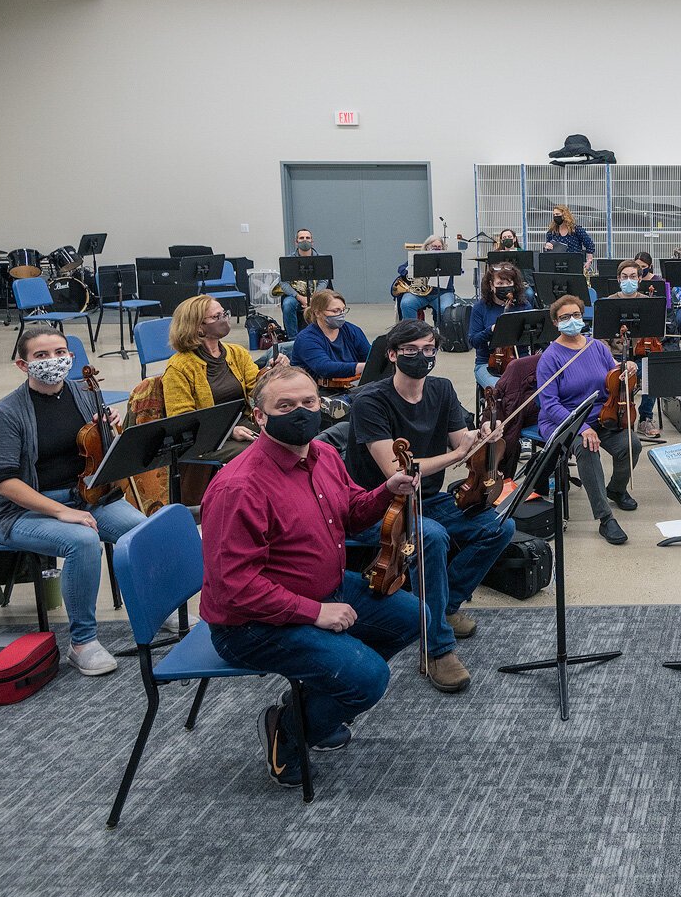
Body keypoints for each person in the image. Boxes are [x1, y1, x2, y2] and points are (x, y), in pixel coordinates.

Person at [202, 364, 423, 787]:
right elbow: (235, 588)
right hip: (252, 624)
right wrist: (314, 612)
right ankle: (288, 734)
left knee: (417, 618)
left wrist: (386, 492)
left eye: (308, 402)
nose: (301, 412)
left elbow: (352, 513)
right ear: (259, 416)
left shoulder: (321, 455)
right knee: (368, 678)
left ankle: (317, 698)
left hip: (326, 589)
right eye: (285, 405)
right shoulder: (239, 487)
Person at [346, 319, 513, 694]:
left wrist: (481, 437)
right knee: (432, 537)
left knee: (499, 524)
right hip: (375, 506)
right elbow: (395, 469)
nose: (422, 357)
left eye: (428, 350)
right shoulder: (369, 401)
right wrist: (456, 453)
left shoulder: (440, 389)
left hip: (427, 498)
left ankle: (446, 605)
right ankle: (437, 648)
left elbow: (460, 439)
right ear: (392, 355)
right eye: (411, 351)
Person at [0, 326, 147, 677]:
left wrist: (108, 428)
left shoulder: (83, 393)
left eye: (60, 352)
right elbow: (3, 483)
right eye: (41, 356)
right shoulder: (6, 413)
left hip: (86, 496)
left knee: (142, 531)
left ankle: (154, 614)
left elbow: (95, 452)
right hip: (24, 511)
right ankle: (82, 643)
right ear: (22, 365)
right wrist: (63, 513)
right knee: (83, 540)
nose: (54, 361)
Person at [536, 295, 640, 545]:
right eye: (564, 317)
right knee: (587, 447)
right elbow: (549, 406)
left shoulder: (597, 347)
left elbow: (614, 373)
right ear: (555, 322)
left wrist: (628, 370)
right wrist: (581, 428)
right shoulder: (549, 358)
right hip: (564, 421)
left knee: (632, 444)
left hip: (601, 416)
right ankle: (605, 518)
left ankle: (615, 488)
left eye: (576, 315)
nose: (572, 321)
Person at [164, 296, 288, 504]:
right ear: (197, 326)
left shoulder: (235, 352)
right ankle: (264, 504)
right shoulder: (178, 367)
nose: (225, 319)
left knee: (288, 435)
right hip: (206, 439)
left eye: (224, 313)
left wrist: (272, 373)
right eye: (217, 316)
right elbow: (182, 418)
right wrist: (228, 430)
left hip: (242, 425)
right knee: (261, 452)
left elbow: (256, 388)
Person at [603, 259, 662, 441]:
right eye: (625, 276)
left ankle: (645, 418)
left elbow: (658, 337)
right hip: (614, 356)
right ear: (618, 279)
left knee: (652, 371)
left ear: (640, 279)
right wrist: (611, 360)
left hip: (640, 356)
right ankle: (615, 416)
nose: (629, 280)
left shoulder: (648, 302)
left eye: (633, 276)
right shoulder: (608, 302)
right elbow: (601, 339)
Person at [468, 262, 532, 391]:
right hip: (487, 364)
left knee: (536, 386)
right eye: (500, 284)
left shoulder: (523, 306)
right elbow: (473, 341)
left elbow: (532, 338)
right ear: (492, 285)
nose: (505, 287)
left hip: (520, 360)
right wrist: (491, 330)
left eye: (509, 283)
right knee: (501, 388)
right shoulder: (480, 307)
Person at [291, 290, 369, 388]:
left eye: (343, 310)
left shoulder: (352, 330)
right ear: (318, 313)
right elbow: (325, 367)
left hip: (351, 387)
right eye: (335, 311)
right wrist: (365, 366)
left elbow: (369, 355)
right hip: (316, 391)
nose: (341, 315)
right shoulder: (306, 338)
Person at [398, 234, 458, 326]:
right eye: (434, 246)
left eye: (439, 247)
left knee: (446, 309)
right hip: (419, 294)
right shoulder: (419, 256)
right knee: (406, 304)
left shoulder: (447, 258)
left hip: (442, 293)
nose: (437, 248)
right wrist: (409, 272)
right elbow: (401, 268)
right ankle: (412, 332)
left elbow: (458, 269)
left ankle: (443, 335)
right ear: (427, 247)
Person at [279, 227, 320, 336]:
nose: (305, 240)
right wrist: (300, 298)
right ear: (296, 242)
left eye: (308, 238)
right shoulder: (288, 260)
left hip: (315, 295)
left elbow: (324, 281)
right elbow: (283, 283)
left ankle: (321, 336)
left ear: (312, 241)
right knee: (288, 305)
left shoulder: (320, 259)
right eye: (301, 238)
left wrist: (313, 299)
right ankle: (293, 339)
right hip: (295, 296)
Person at [544, 205, 595, 273]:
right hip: (558, 265)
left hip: (575, 264)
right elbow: (547, 250)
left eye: (557, 214)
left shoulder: (576, 229)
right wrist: (546, 247)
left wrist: (589, 261)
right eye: (554, 215)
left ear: (564, 215)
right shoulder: (551, 232)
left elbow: (589, 244)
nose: (555, 216)